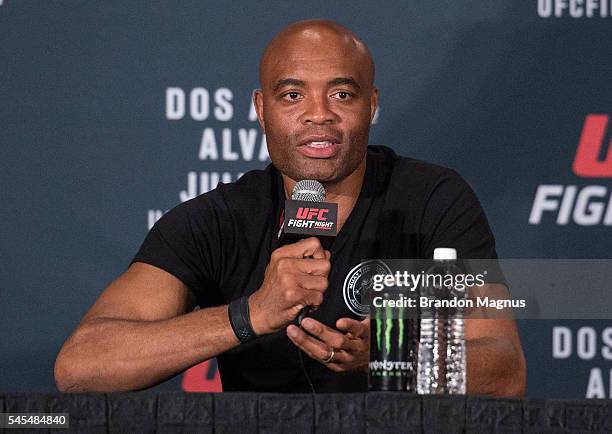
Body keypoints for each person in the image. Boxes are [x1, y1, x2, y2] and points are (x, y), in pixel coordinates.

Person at [54, 19, 526, 394]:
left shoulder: (432, 199)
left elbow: (504, 369)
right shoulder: (216, 221)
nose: (319, 114)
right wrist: (250, 314)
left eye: (341, 94)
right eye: (292, 95)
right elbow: (81, 366)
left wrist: (390, 356)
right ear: (262, 109)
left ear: (371, 105)